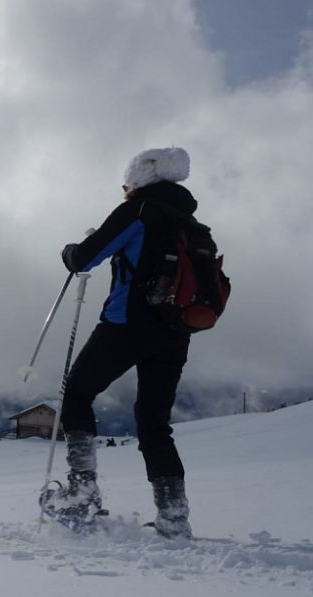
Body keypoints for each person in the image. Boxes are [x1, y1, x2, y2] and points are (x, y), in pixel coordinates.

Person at [54, 146, 197, 538]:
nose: (124, 190)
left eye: (126, 183)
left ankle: (82, 494)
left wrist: (69, 251)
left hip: (127, 324)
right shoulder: (188, 221)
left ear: (138, 182)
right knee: (153, 422)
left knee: (77, 393)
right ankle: (173, 516)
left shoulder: (137, 211)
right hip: (176, 331)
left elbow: (85, 258)